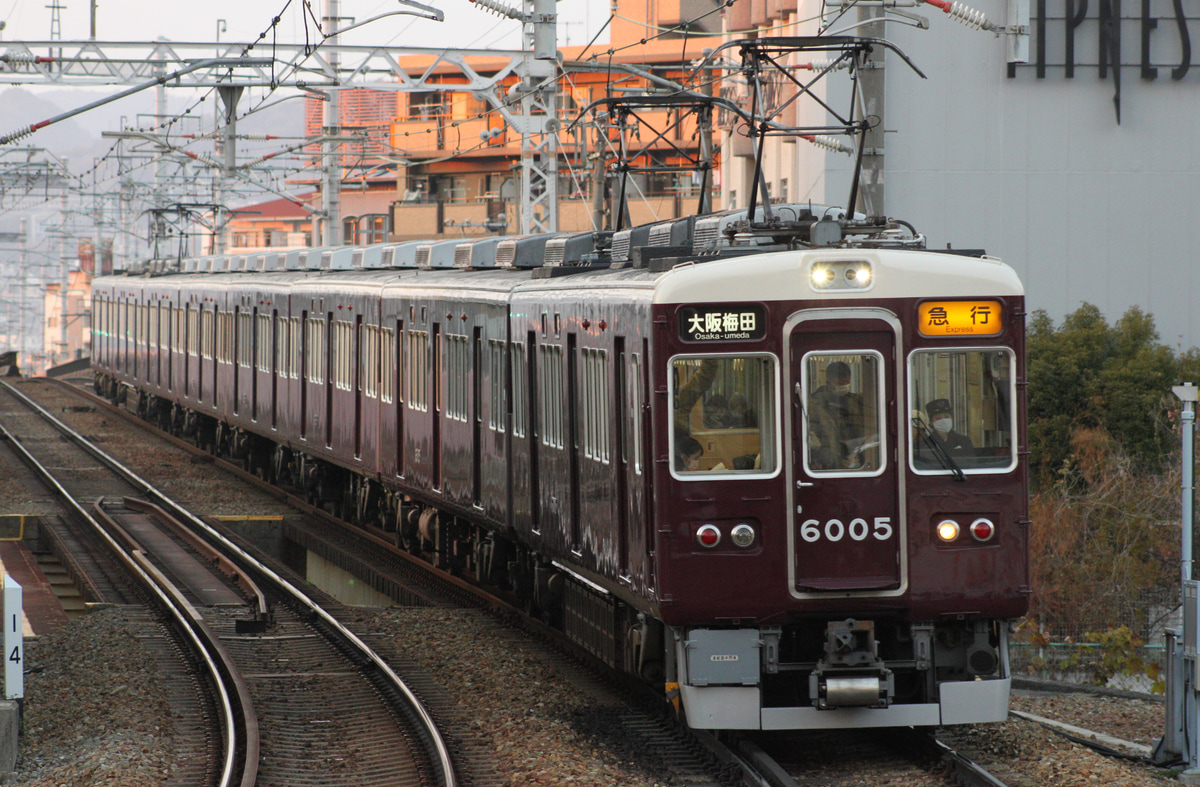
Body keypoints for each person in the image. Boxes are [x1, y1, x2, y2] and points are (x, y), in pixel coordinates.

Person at [807, 361, 866, 469]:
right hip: (826, 465)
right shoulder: (813, 404)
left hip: (855, 462)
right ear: (828, 382)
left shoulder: (857, 402)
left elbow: (863, 432)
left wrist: (857, 454)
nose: (843, 387)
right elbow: (812, 438)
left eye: (846, 384)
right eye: (840, 384)